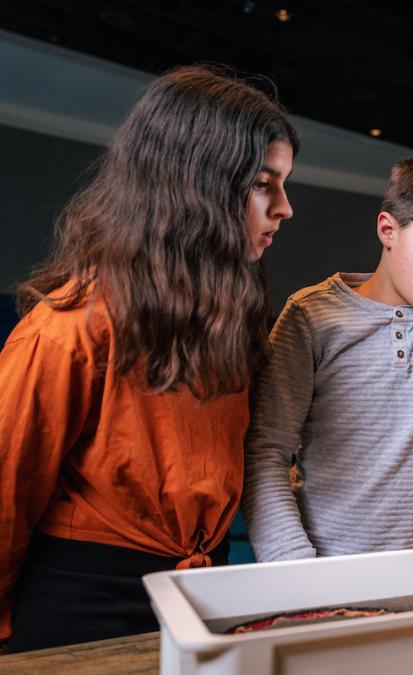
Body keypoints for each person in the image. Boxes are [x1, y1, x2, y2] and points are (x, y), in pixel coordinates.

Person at [0, 65, 298, 652]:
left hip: (202, 598)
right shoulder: (70, 324)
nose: (285, 208)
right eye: (266, 183)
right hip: (85, 605)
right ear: (198, 184)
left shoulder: (230, 320)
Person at [242, 155, 413, 561]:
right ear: (388, 230)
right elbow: (266, 452)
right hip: (324, 565)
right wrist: (295, 571)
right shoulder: (310, 315)